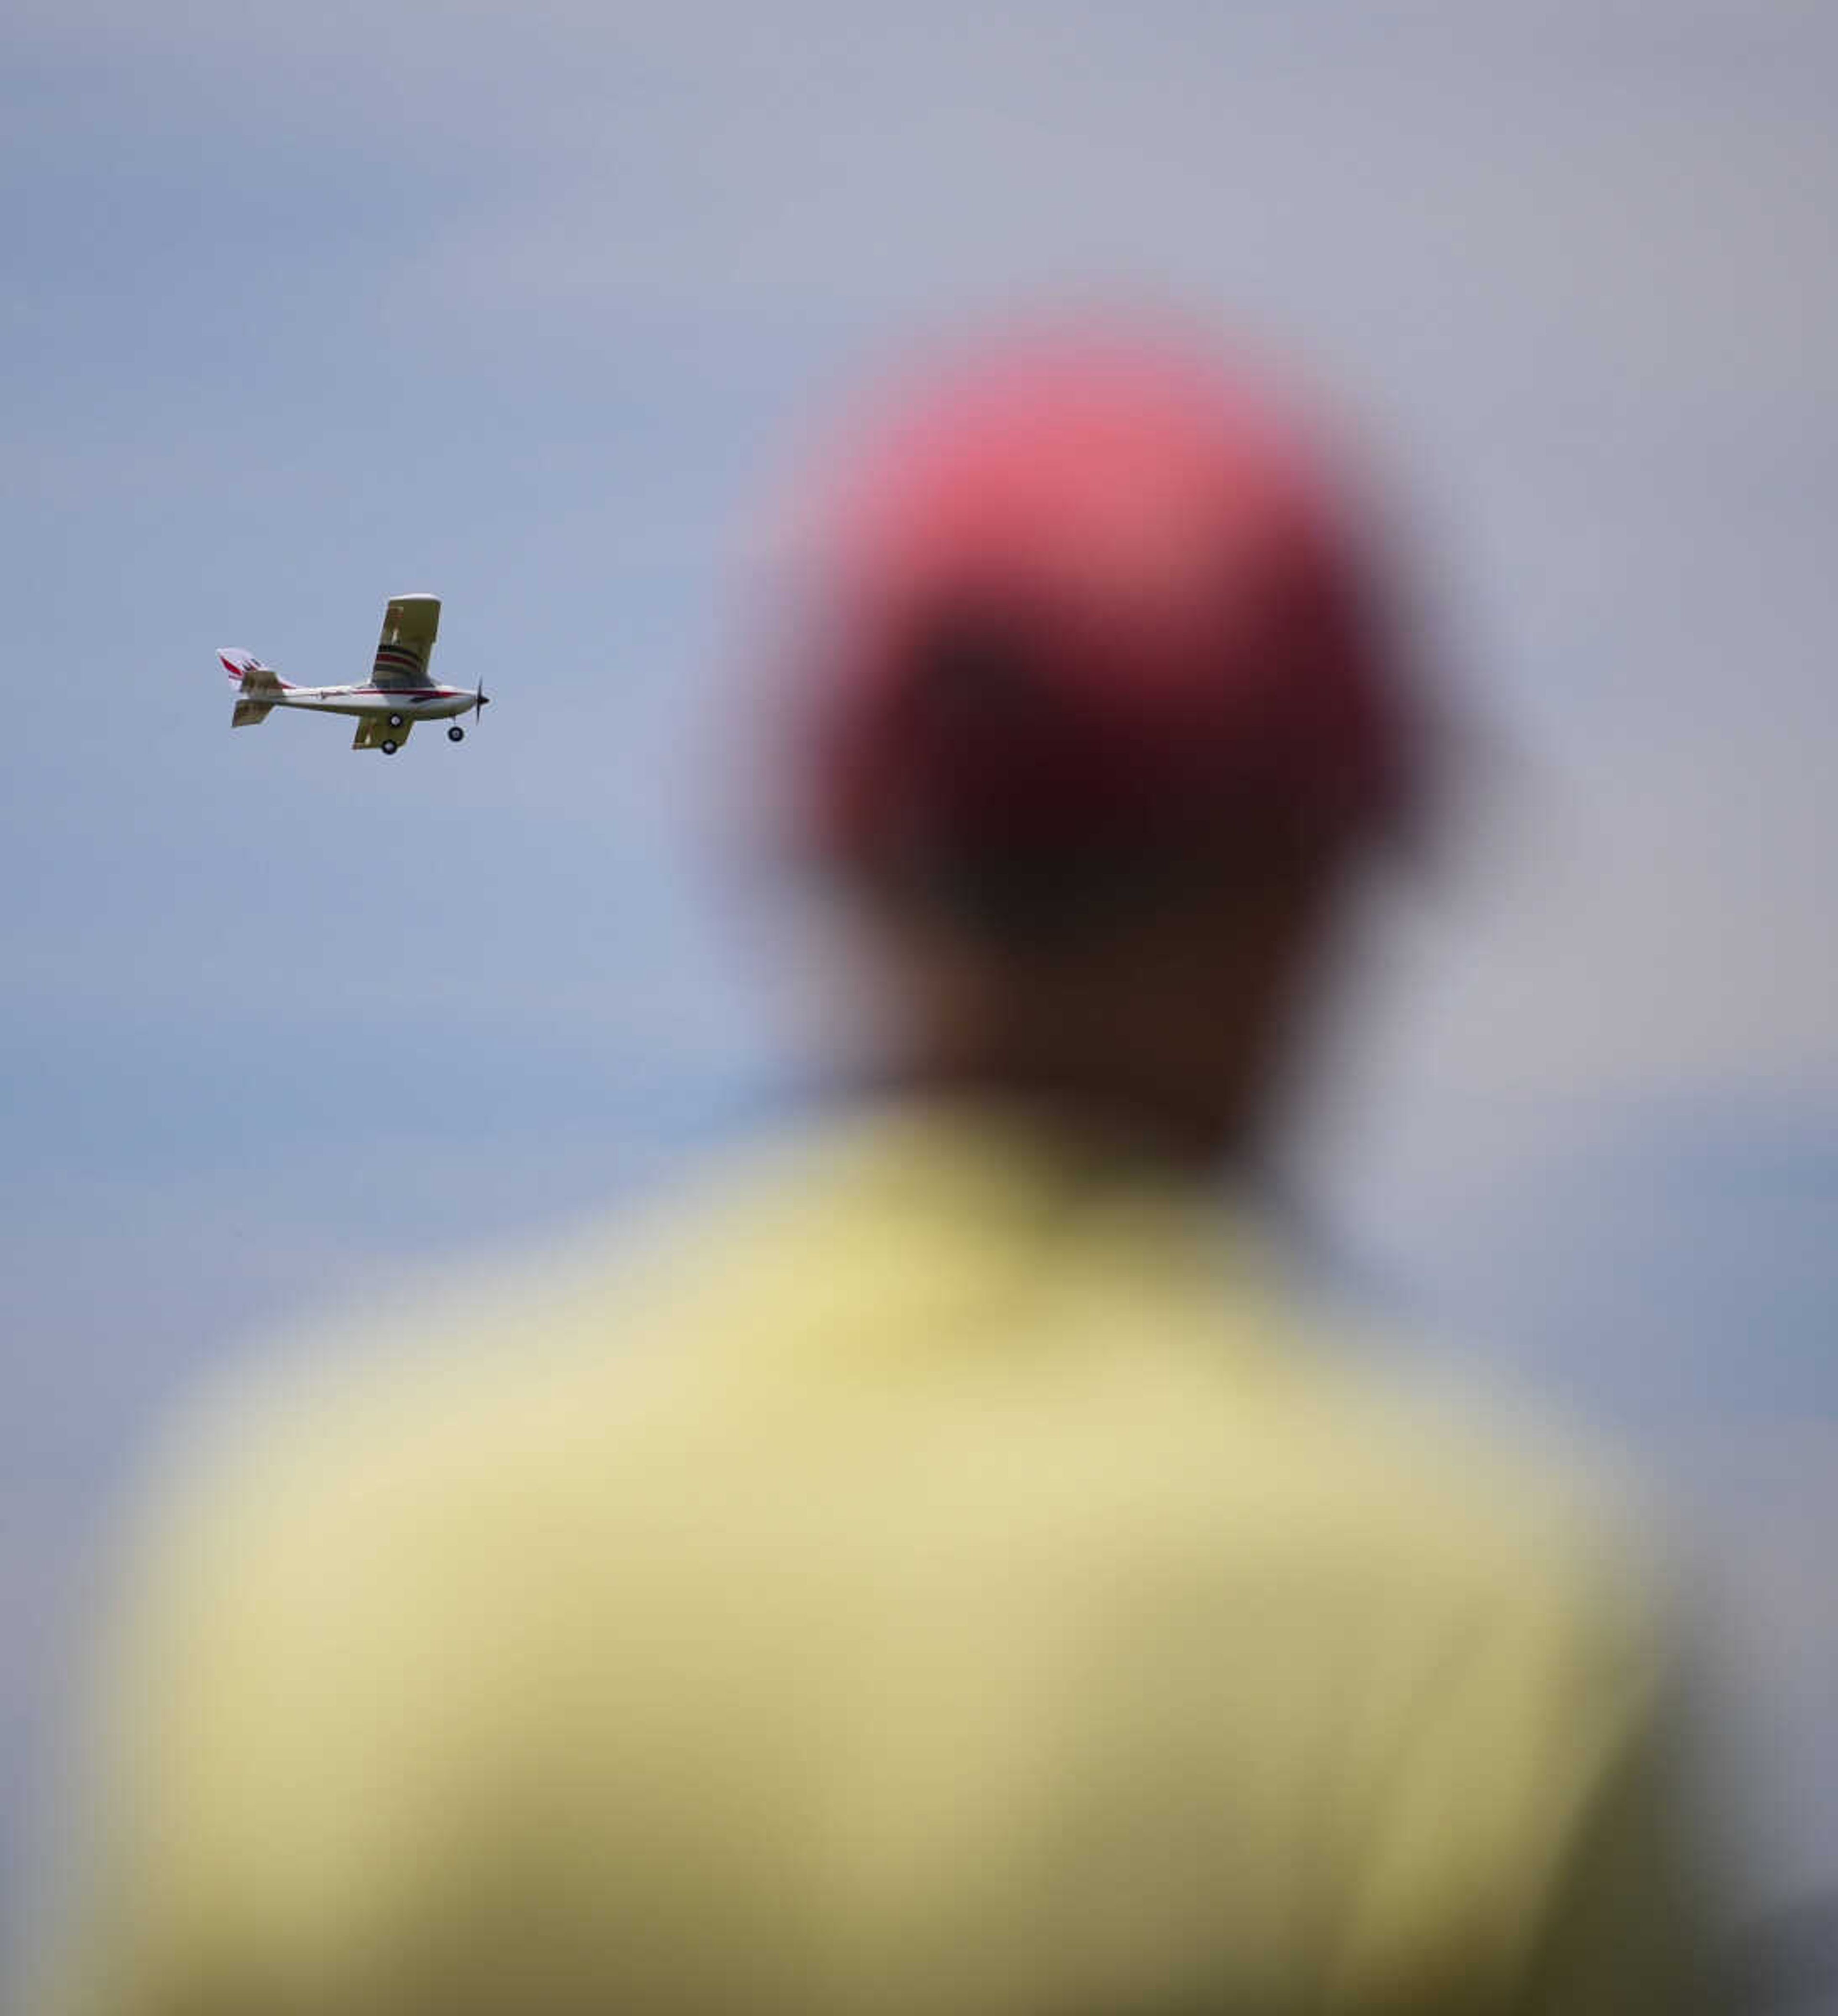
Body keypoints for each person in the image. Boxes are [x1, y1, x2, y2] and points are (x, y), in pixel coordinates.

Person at [35, 323, 1716, 2016]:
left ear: (820, 834)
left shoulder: (296, 1547)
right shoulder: (1500, 1636)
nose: (432, 686)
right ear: (1307, 886)